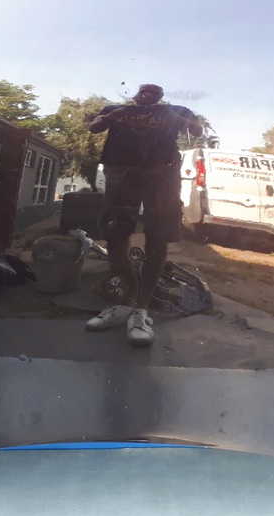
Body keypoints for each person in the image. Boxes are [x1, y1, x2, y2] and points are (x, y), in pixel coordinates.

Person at [84, 83, 203, 346]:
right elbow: (93, 128)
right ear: (136, 94)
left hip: (163, 176)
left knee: (157, 234)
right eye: (143, 92)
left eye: (154, 93)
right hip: (121, 174)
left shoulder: (176, 110)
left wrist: (173, 116)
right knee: (115, 235)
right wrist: (110, 116)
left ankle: (142, 309)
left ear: (161, 97)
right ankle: (126, 302)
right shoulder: (115, 109)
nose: (148, 96)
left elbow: (197, 131)